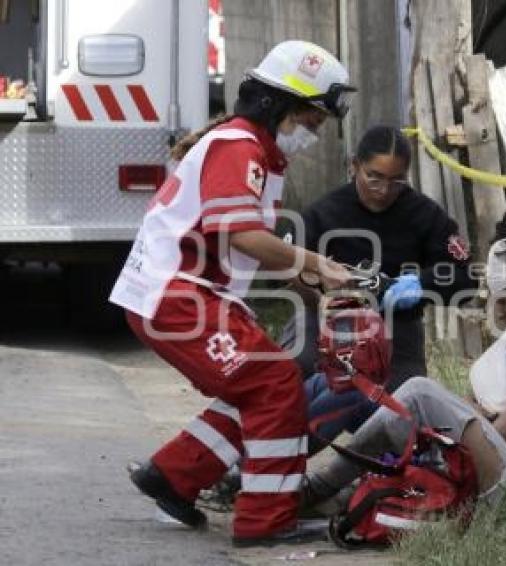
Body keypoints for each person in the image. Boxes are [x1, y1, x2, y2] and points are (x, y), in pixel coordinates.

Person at [109, 40, 356, 547]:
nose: (313, 134)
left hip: (183, 294)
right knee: (276, 384)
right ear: (279, 106)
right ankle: (266, 521)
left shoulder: (255, 153)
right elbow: (243, 236)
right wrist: (317, 266)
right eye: (310, 121)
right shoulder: (239, 147)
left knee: (258, 385)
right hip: (177, 296)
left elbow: (242, 241)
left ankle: (172, 476)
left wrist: (300, 284)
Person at [302, 213, 506, 506]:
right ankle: (334, 492)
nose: (498, 313)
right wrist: (473, 419)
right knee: (414, 418)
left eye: (504, 303)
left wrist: (462, 425)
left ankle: (319, 487)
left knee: (419, 392)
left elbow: (504, 432)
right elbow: (503, 421)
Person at [285, 125, 477, 453]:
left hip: (395, 328)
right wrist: (318, 289)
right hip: (327, 320)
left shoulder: (424, 215)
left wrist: (421, 284)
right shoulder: (323, 213)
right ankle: (267, 456)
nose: (384, 189)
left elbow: (464, 276)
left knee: (402, 406)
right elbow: (286, 270)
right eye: (374, 177)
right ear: (353, 166)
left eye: (396, 180)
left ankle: (361, 474)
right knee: (285, 373)